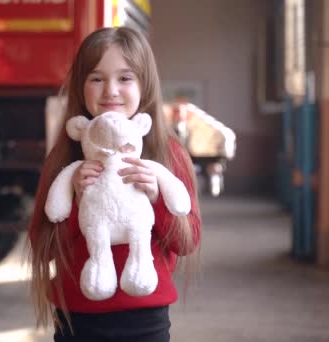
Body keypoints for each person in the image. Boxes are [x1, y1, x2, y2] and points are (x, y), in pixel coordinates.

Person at [28, 26, 201, 342]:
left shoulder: (168, 153)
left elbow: (187, 243)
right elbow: (41, 245)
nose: (110, 90)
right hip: (76, 318)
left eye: (125, 78)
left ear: (144, 85)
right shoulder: (66, 156)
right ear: (81, 87)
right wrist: (77, 202)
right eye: (96, 78)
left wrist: (156, 199)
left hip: (145, 317)